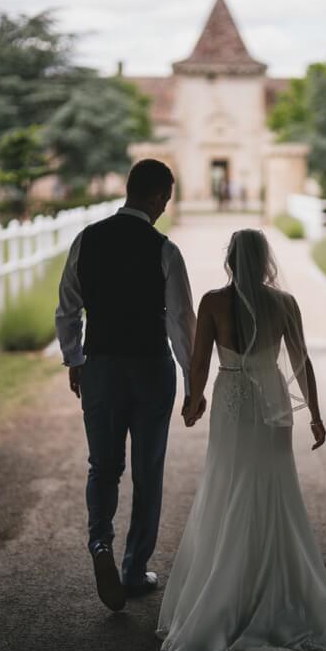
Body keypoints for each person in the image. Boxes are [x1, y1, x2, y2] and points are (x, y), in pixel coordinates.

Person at [156, 229, 326, 651]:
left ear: (230, 260)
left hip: (232, 397)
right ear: (265, 260)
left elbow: (198, 361)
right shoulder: (284, 304)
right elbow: (300, 360)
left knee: (228, 485)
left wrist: (192, 400)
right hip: (272, 401)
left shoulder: (213, 302)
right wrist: (314, 414)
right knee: (273, 491)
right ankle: (274, 592)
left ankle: (226, 593)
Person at [55, 158, 200, 612]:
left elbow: (67, 308)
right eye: (166, 199)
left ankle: (101, 545)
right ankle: (134, 569)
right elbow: (179, 321)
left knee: (103, 465)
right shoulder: (164, 249)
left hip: (100, 366)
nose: (164, 208)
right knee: (147, 471)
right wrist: (194, 382)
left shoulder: (86, 239)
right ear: (157, 196)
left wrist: (75, 358)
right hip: (152, 368)